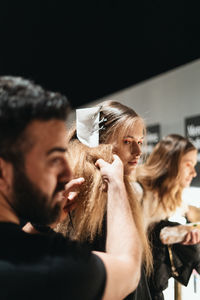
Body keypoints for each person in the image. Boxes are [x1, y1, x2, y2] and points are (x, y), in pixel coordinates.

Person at [0, 77, 142, 300]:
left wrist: (41, 227)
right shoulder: (55, 271)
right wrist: (116, 186)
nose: (67, 172)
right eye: (53, 158)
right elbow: (128, 270)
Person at [56, 101, 153, 300]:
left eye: (140, 142)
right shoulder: (97, 189)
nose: (138, 151)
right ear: (101, 142)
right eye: (127, 141)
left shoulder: (113, 183)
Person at [136, 134, 200, 299]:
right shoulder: (138, 192)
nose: (193, 172)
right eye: (188, 165)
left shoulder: (171, 196)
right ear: (170, 163)